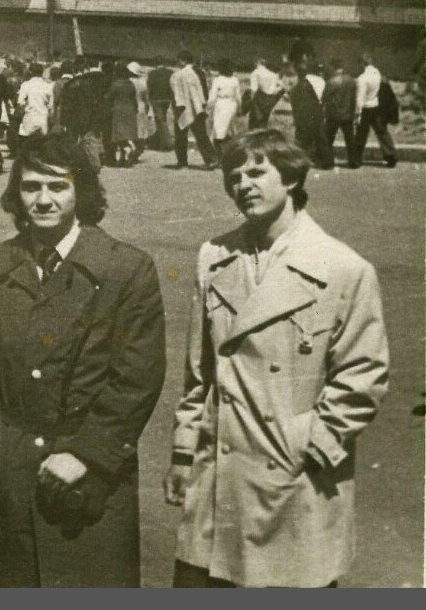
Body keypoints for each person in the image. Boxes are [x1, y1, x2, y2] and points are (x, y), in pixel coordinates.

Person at [165, 129, 389, 587]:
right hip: (218, 478)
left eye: (256, 171)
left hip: (294, 482)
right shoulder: (214, 257)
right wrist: (184, 452)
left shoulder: (343, 268)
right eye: (233, 176)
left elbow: (364, 375)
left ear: (290, 178)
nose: (243, 184)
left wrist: (308, 444)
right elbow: (198, 372)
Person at [0, 134, 165, 587]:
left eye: (58, 186)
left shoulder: (125, 269)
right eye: (31, 187)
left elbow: (136, 378)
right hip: (12, 480)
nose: (44, 199)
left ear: (83, 192)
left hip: (89, 483)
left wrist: (85, 454)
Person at [170, 51, 217, 169]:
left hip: (183, 107)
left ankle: (182, 161)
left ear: (182, 61)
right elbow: (205, 90)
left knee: (180, 135)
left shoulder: (179, 74)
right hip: (198, 106)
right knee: (201, 134)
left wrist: (176, 107)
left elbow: (176, 93)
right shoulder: (200, 72)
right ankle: (211, 159)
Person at [350, 52, 397, 168]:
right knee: (382, 132)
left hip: (365, 109)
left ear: (362, 64)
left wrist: (357, 114)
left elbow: (360, 98)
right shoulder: (377, 73)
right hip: (376, 107)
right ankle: (391, 155)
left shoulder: (362, 78)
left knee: (361, 135)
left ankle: (356, 159)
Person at [290, 56, 333, 170]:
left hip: (305, 113)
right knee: (321, 138)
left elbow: (295, 98)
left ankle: (298, 161)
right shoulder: (322, 82)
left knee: (302, 138)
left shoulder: (303, 82)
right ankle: (327, 162)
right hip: (317, 112)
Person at [322, 59, 357, 163]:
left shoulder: (331, 81)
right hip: (347, 114)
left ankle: (326, 162)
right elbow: (353, 98)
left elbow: (324, 98)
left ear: (333, 68)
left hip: (333, 115)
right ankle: (353, 162)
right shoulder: (351, 81)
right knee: (350, 139)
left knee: (328, 139)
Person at [106, 63, 140, 167]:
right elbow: (134, 99)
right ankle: (123, 158)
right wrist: (135, 109)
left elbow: (109, 98)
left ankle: (129, 149)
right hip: (130, 111)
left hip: (118, 111)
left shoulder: (115, 84)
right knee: (127, 135)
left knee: (119, 136)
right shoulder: (130, 84)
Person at [206, 59, 242, 152]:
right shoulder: (235, 80)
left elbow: (213, 96)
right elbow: (238, 97)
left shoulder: (217, 80)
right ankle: (233, 150)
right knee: (231, 129)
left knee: (218, 131)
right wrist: (239, 109)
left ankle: (219, 154)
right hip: (232, 104)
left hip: (221, 104)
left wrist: (208, 107)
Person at [16, 62, 52, 140]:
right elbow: (51, 106)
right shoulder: (48, 86)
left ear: (30, 72)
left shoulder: (25, 85)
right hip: (43, 120)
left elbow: (20, 103)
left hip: (29, 119)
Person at [247, 57, 284, 129]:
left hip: (259, 98)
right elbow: (282, 86)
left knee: (254, 121)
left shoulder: (255, 73)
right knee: (264, 121)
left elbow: (254, 89)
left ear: (257, 63)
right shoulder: (273, 74)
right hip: (270, 99)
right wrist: (275, 93)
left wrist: (251, 100)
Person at [146, 63, 174, 152]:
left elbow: (149, 86)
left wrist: (149, 98)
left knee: (160, 121)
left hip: (156, 99)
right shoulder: (170, 72)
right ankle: (161, 143)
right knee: (163, 120)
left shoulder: (152, 73)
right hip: (167, 99)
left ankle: (168, 142)